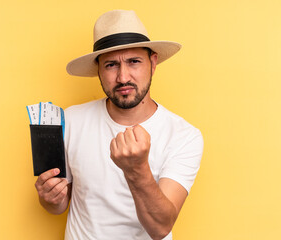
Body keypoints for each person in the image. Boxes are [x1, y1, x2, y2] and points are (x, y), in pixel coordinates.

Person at [34, 9, 203, 240]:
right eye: (111, 65)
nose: (123, 77)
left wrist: (136, 169)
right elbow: (59, 206)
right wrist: (49, 198)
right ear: (99, 72)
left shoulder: (184, 136)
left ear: (153, 63)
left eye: (134, 62)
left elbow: (160, 228)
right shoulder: (71, 120)